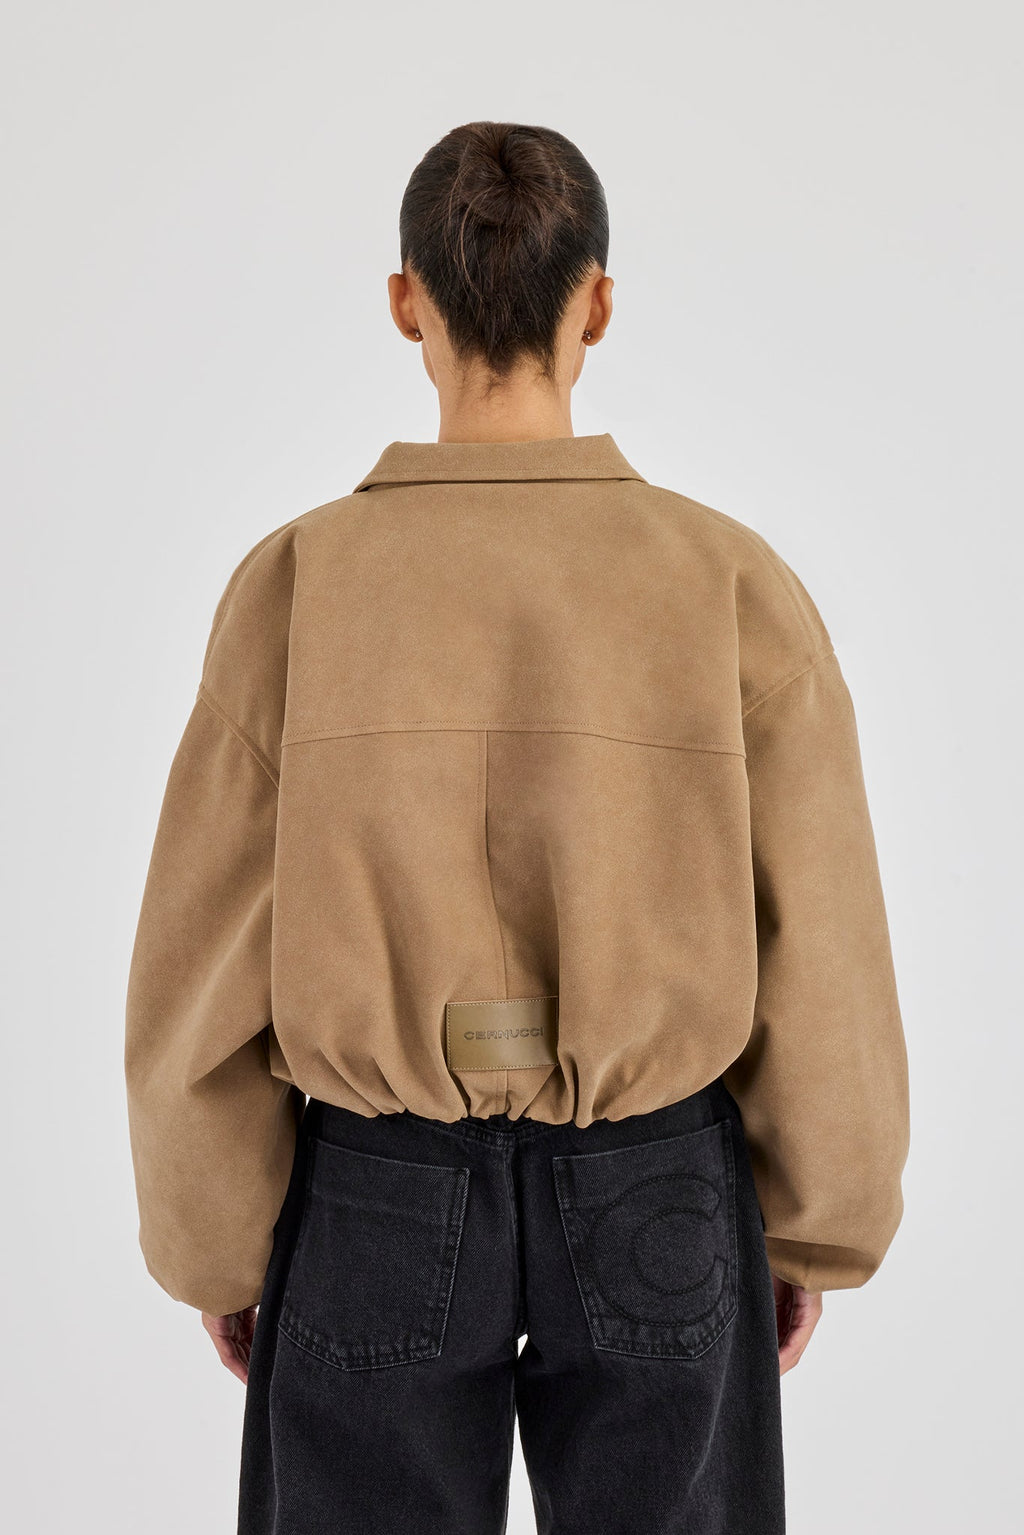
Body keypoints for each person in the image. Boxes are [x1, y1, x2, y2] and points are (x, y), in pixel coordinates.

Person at [123, 120, 911, 1535]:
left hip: (374, 1184)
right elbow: (825, 937)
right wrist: (815, 1221)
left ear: (406, 301)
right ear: (596, 303)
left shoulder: (297, 583)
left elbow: (204, 952)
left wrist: (218, 1242)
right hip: (661, 1179)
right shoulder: (728, 582)